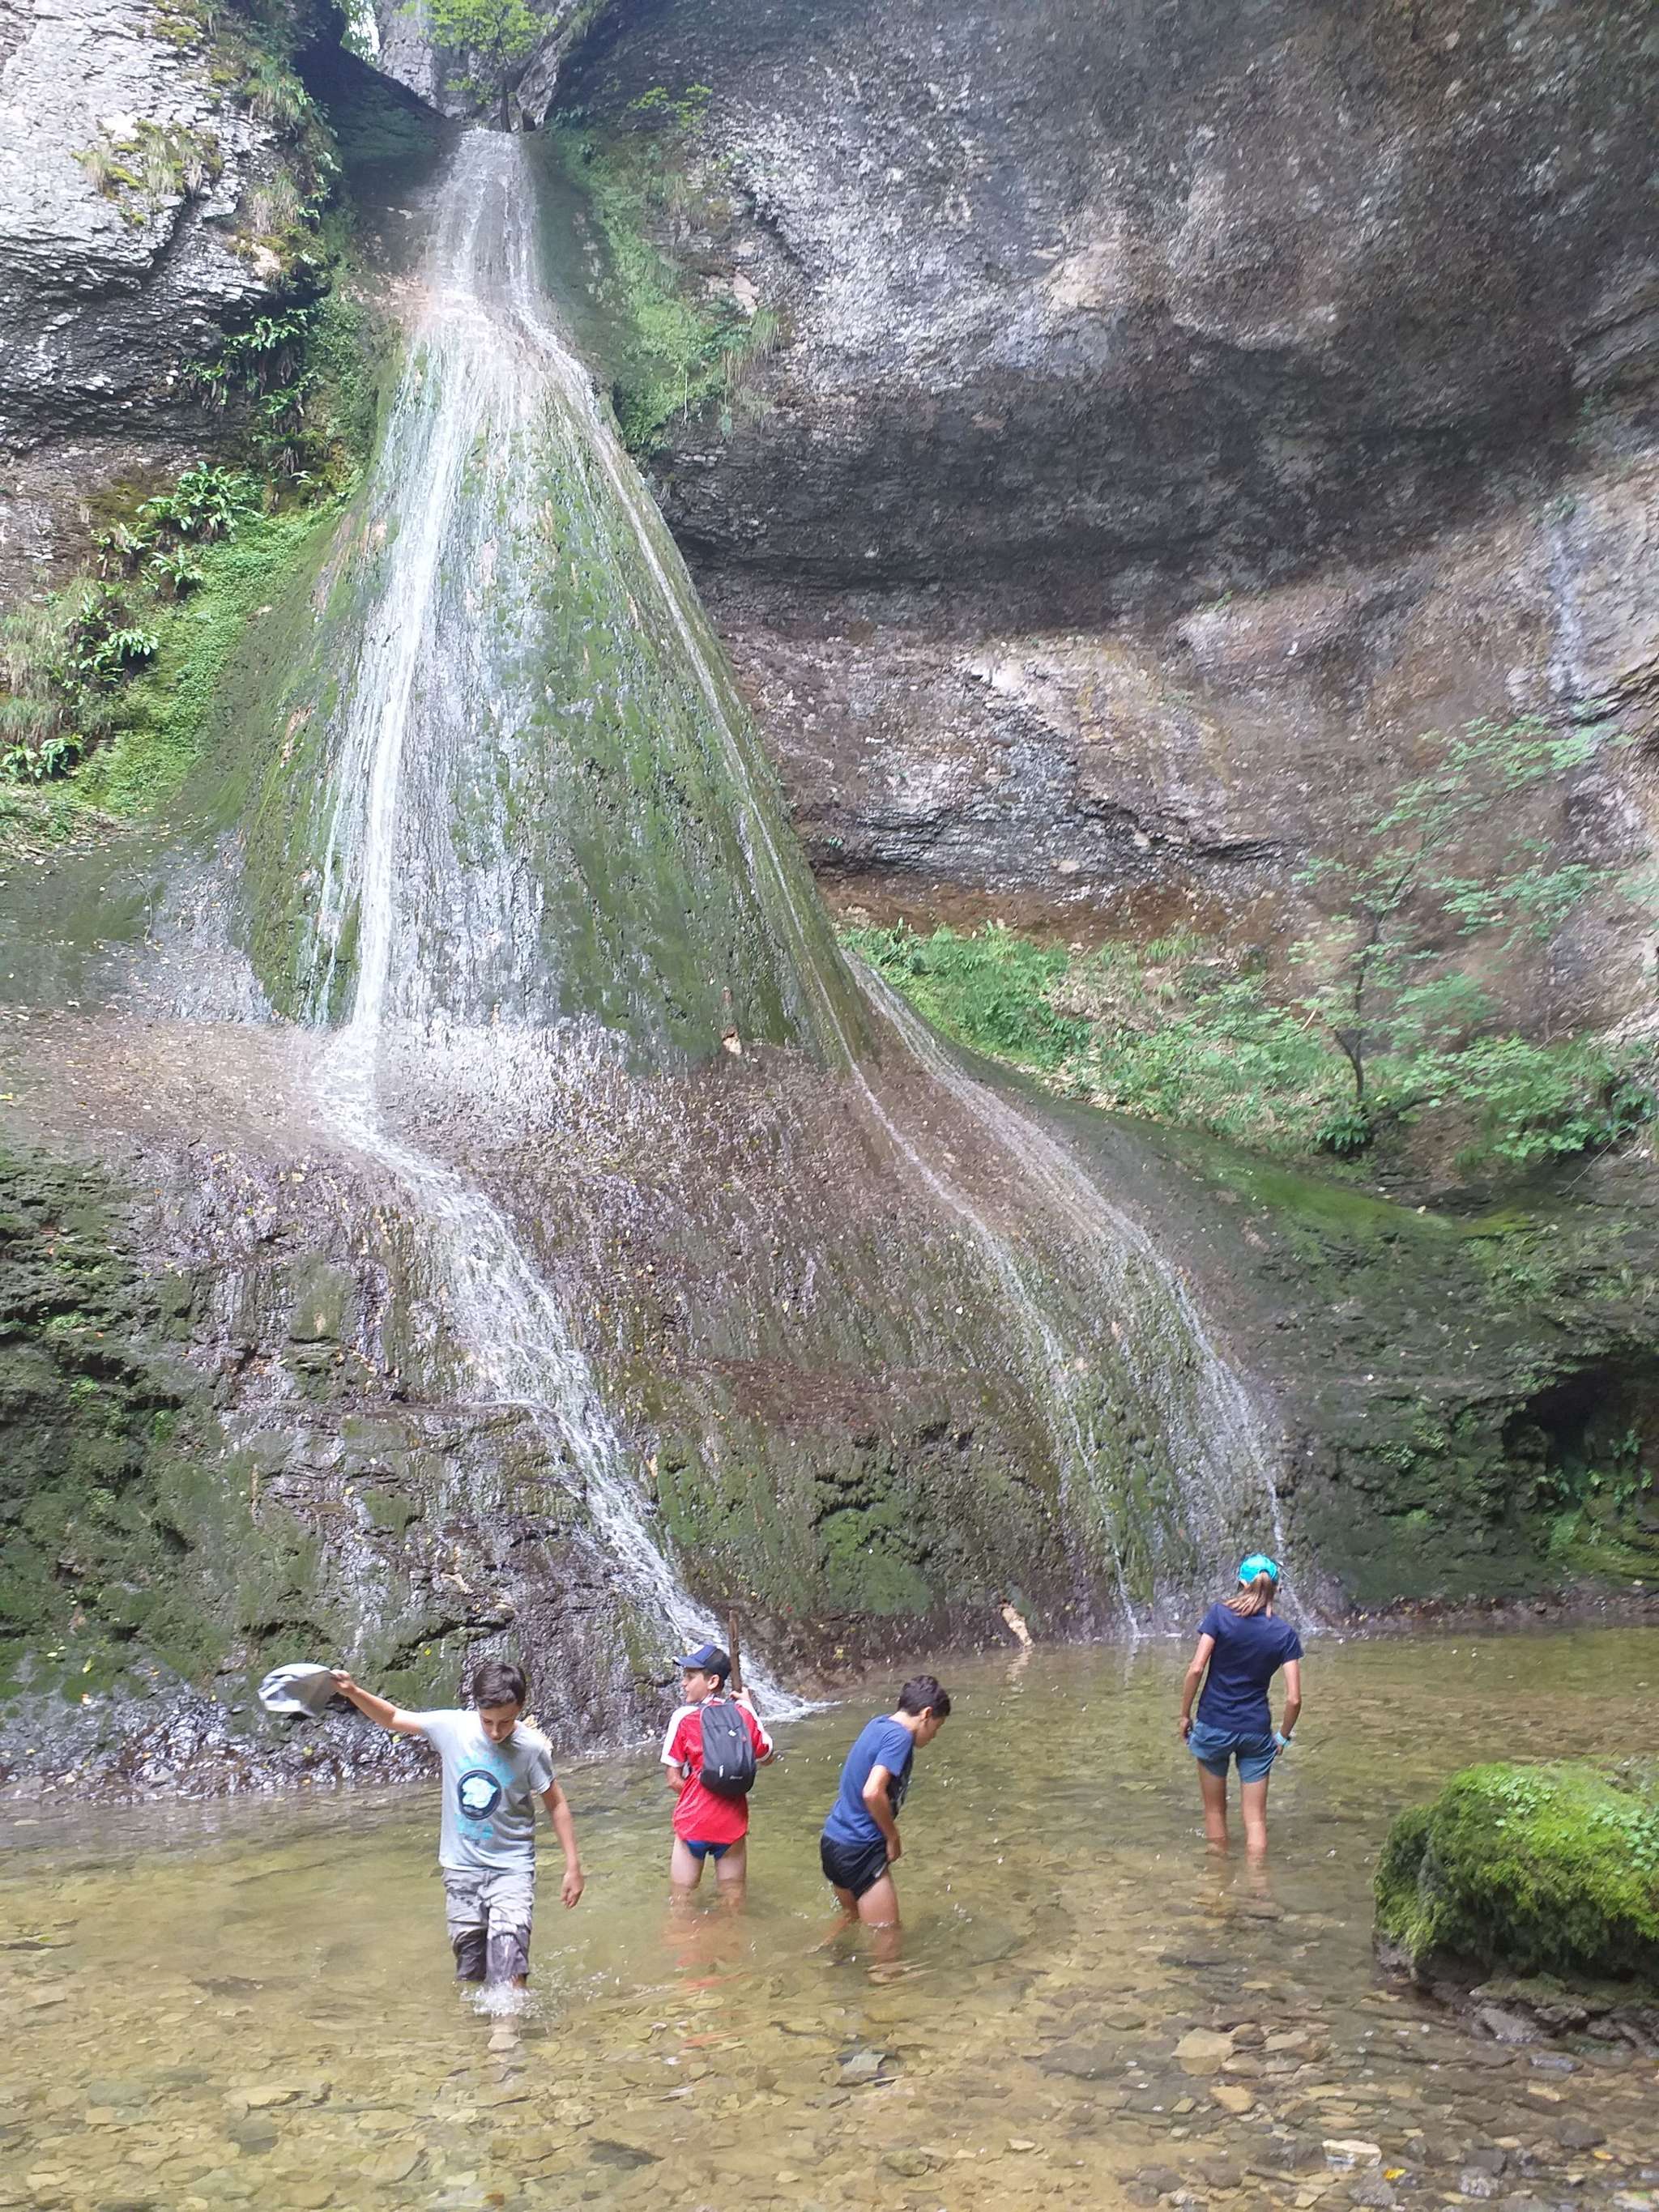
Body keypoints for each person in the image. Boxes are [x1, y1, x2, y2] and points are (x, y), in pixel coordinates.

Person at [331, 1658, 583, 1988]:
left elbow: (556, 1803)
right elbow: (392, 1717)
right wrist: (353, 1692)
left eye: (505, 1722)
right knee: (470, 1972)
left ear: (520, 1709)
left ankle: (510, 2020)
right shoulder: (452, 1728)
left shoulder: (531, 1749)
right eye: (487, 1721)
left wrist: (572, 1866)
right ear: (475, 1707)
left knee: (511, 1961)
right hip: (461, 1870)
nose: (495, 1732)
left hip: (512, 1870)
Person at [1178, 1554, 1303, 1856]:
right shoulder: (1284, 1634)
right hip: (1256, 1731)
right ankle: (1258, 1881)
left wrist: (1184, 1714)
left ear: (1242, 1584)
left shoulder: (1219, 1616)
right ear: (1276, 1588)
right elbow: (1294, 1698)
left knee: (1214, 1812)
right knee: (1256, 1820)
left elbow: (1196, 1668)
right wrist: (1282, 1737)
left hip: (1213, 1723)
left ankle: (1217, 1879)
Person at [819, 1674, 951, 1958]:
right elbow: (872, 1792)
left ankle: (820, 1955)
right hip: (860, 1848)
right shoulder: (900, 1737)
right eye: (937, 1727)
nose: (934, 1735)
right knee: (888, 1936)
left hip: (833, 1841)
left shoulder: (878, 1725)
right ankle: (885, 1985)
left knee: (852, 1916)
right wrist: (892, 1837)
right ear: (926, 1714)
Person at [660, 1641, 774, 1901]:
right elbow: (766, 1756)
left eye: (690, 1677)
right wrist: (749, 1707)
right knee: (733, 1904)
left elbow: (673, 1778)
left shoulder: (683, 1717)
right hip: (732, 1823)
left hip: (694, 1822)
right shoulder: (743, 1713)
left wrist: (700, 1795)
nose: (683, 1683)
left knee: (681, 1902)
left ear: (712, 1681)